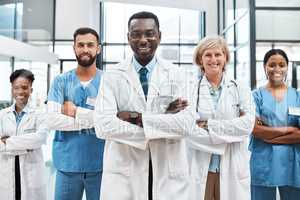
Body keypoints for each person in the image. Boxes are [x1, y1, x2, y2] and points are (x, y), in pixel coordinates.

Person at [94, 11, 196, 200]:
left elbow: (186, 124)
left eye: (149, 33)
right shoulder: (112, 76)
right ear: (128, 37)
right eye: (136, 34)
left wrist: (137, 118)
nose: (143, 40)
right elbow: (103, 126)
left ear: (159, 36)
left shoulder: (178, 74)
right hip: (124, 173)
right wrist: (163, 120)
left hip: (168, 172)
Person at [191, 36, 255, 200]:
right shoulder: (191, 90)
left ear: (225, 57)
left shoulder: (240, 88)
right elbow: (188, 129)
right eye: (208, 55)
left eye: (218, 54)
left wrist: (207, 125)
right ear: (200, 59)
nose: (213, 59)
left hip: (232, 166)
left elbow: (247, 125)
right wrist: (230, 132)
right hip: (201, 167)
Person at [47, 27, 105, 200]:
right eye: (80, 45)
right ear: (74, 48)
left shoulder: (108, 81)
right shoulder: (60, 81)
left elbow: (111, 120)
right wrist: (96, 119)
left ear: (98, 48)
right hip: (67, 165)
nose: (85, 49)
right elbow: (51, 120)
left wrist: (74, 112)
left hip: (101, 165)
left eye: (90, 45)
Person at [250, 49, 300, 200]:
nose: (277, 69)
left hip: (292, 164)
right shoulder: (256, 96)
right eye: (272, 65)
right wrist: (288, 129)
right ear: (264, 67)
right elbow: (255, 129)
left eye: (281, 65)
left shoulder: (297, 96)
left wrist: (269, 136)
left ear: (287, 67)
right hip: (264, 163)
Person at [0, 69, 47, 200]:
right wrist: (26, 147)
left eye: (25, 87)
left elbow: (40, 138)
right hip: (6, 172)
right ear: (12, 89)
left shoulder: (40, 114)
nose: (20, 91)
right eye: (16, 87)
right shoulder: (2, 115)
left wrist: (7, 142)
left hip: (31, 175)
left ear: (31, 90)